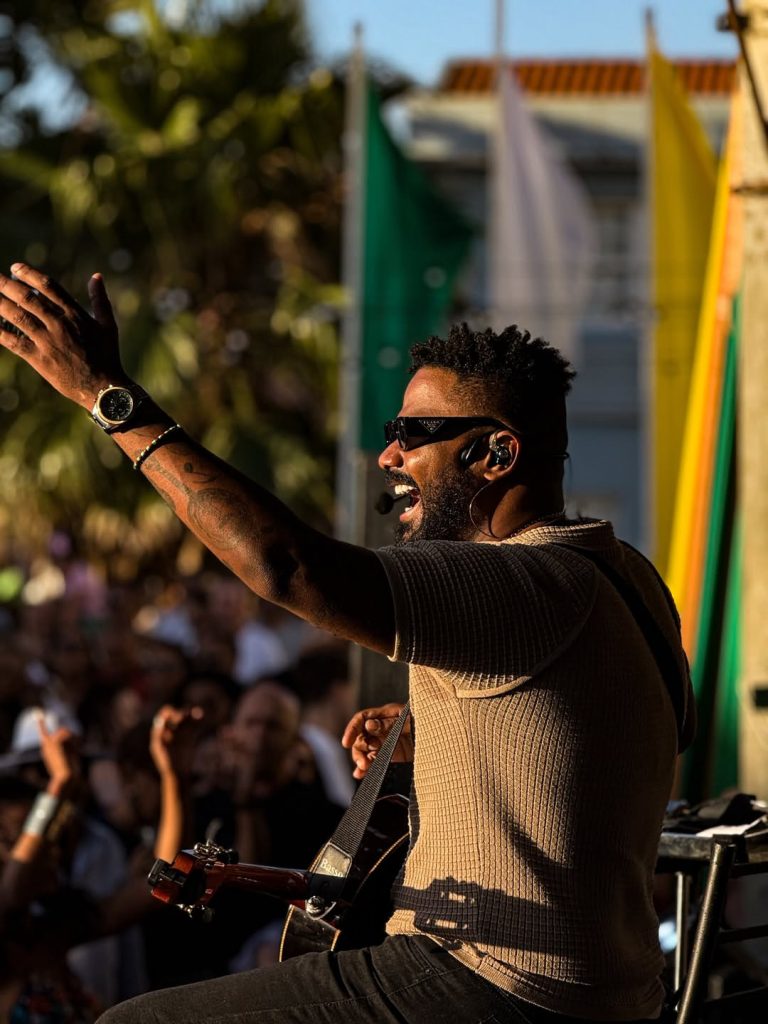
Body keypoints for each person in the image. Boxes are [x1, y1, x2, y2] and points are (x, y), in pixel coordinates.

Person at [0, 265, 694, 1023]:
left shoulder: (522, 579)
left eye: (413, 435)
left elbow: (287, 566)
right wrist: (435, 733)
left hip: (494, 983)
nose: (388, 457)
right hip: (605, 991)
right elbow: (592, 734)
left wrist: (110, 399)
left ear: (497, 455)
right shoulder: (623, 574)